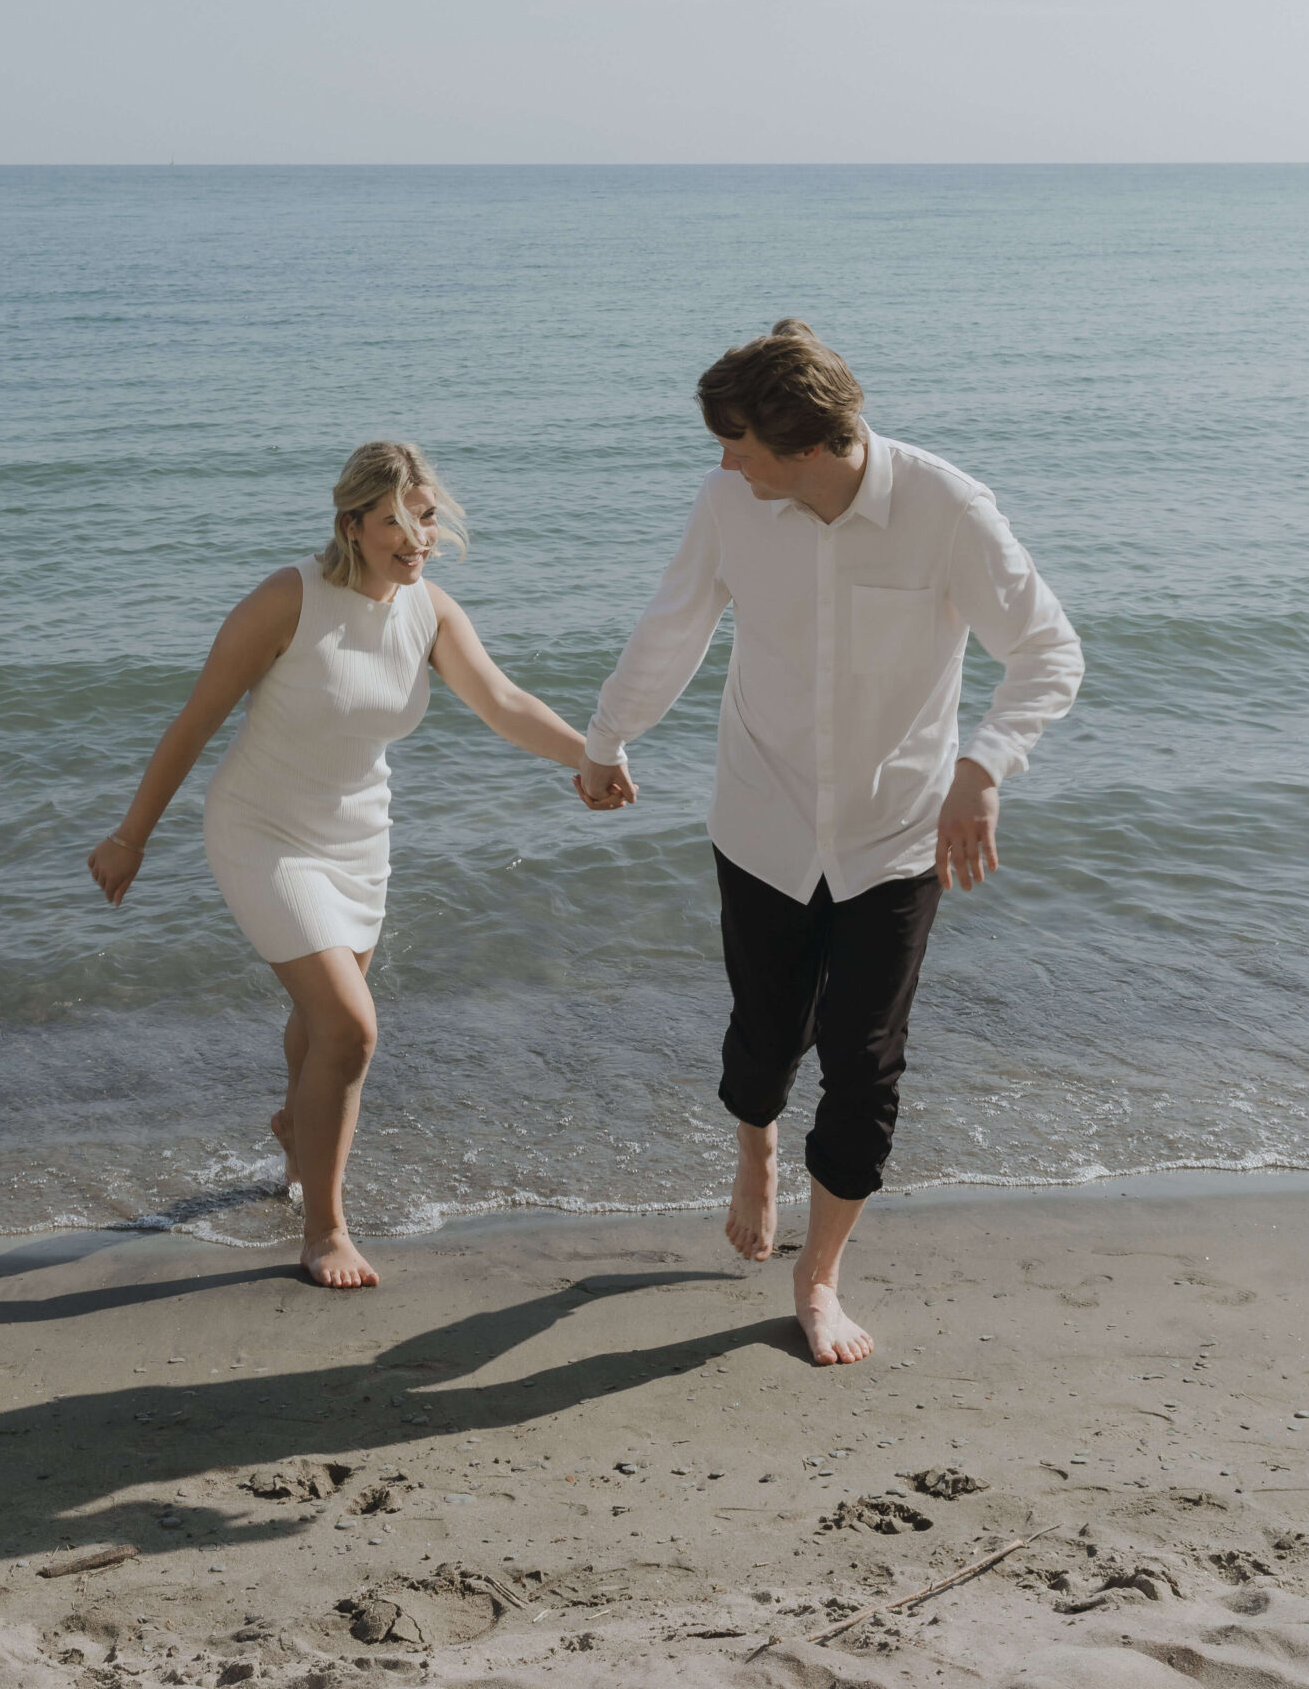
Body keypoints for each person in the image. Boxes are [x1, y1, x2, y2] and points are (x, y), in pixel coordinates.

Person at [576, 321, 1082, 1365]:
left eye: (739, 442)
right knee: (765, 1043)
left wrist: (981, 769)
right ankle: (753, 1141)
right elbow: (671, 625)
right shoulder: (730, 504)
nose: (723, 460)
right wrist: (605, 736)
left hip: (892, 834)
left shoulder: (944, 508)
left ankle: (818, 1277)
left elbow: (1044, 650)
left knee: (863, 1061)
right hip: (758, 820)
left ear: (805, 446)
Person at [87, 439, 613, 1290]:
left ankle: (298, 1129)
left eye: (428, 518)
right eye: (398, 522)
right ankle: (325, 1229)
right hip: (262, 831)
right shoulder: (286, 600)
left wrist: (587, 758)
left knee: (323, 1018)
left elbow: (504, 701)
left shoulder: (430, 611)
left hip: (359, 838)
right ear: (353, 526)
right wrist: (131, 837)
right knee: (351, 1026)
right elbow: (195, 721)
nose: (418, 538)